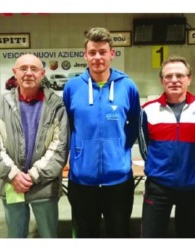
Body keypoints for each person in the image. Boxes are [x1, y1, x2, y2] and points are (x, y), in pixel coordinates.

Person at [62, 27, 141, 238]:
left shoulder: (128, 86)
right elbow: (67, 126)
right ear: (85, 55)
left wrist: (120, 147)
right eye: (93, 52)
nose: (97, 57)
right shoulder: (72, 88)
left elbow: (135, 122)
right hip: (81, 180)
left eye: (103, 51)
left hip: (119, 181)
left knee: (119, 234)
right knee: (88, 236)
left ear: (112, 54)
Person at [0, 54, 69, 238]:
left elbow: (59, 148)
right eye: (23, 68)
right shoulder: (0, 104)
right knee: (16, 236)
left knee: (48, 236)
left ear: (42, 74)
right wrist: (13, 175)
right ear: (15, 73)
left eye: (34, 69)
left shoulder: (56, 105)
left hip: (44, 185)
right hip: (11, 184)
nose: (28, 73)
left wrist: (33, 176)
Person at [138, 55, 195, 238]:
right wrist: (158, 168)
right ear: (162, 80)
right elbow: (144, 146)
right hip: (159, 187)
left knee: (187, 237)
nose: (174, 80)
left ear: (189, 78)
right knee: (150, 238)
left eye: (179, 75)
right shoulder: (148, 110)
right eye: (168, 76)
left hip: (194, 187)